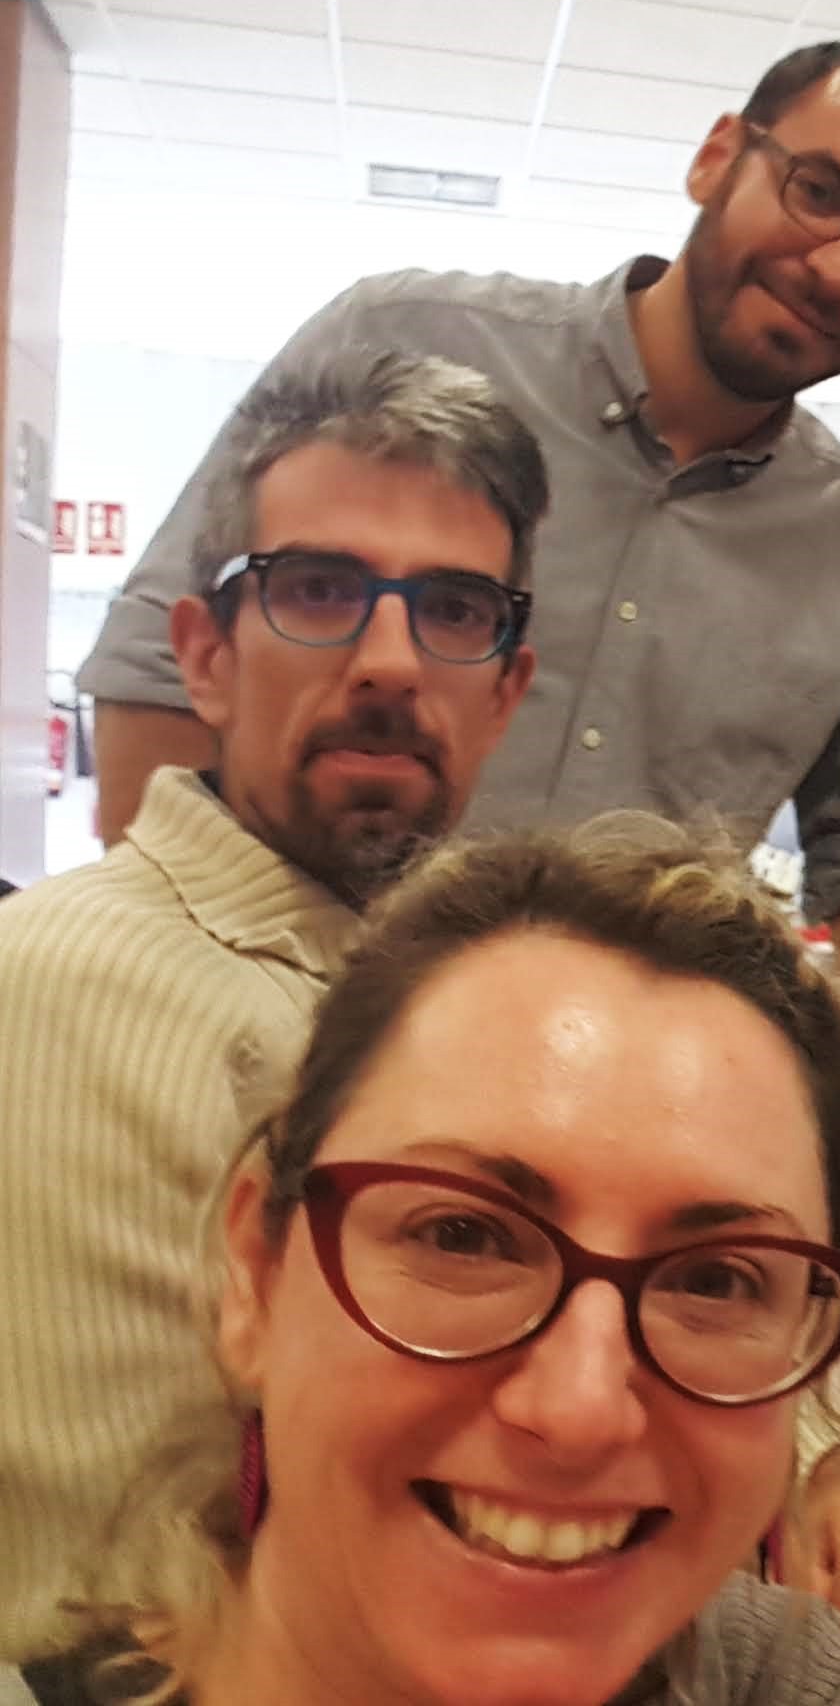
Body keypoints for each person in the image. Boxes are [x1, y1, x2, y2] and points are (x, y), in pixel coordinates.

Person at [78, 39, 840, 1316]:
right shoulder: (405, 342)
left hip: (596, 1169)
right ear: (717, 156)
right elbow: (154, 680)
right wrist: (177, 1013)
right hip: (274, 1097)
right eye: (818, 192)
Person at [5, 821, 840, 1706]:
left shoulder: (766, 1669)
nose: (578, 1410)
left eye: (716, 1278)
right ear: (255, 1271)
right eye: (461, 1235)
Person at [0, 349, 545, 1652]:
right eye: (317, 590)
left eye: (458, 610)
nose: (390, 661)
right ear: (205, 660)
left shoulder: (486, 985)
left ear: (508, 694)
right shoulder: (55, 986)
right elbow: (106, 1629)